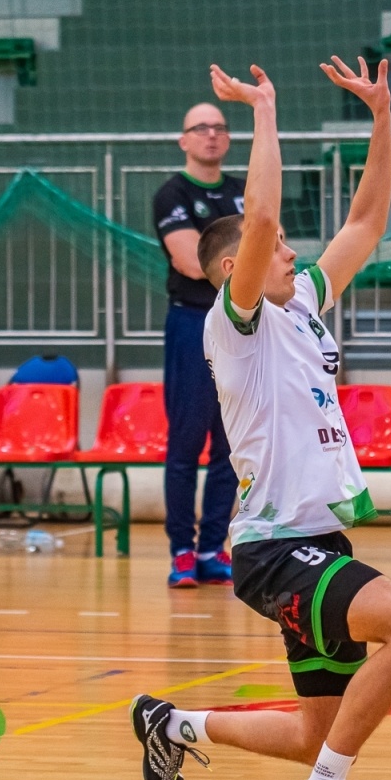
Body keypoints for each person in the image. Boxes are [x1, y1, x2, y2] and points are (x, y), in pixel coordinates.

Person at [130, 58, 391, 780]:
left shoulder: (297, 304)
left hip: (316, 538)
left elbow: (366, 225)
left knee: (313, 733)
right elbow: (259, 214)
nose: (295, 256)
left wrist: (380, 119)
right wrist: (265, 110)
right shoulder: (235, 326)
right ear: (236, 269)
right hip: (274, 549)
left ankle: (171, 723)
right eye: (279, 250)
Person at [152, 102, 247, 587]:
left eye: (219, 127)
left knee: (232, 443)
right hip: (192, 324)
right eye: (200, 128)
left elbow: (265, 251)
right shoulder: (173, 193)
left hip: (240, 325)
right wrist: (246, 271)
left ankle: (214, 547)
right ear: (184, 140)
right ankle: (182, 552)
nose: (211, 135)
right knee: (186, 442)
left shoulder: (241, 193)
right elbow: (193, 262)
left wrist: (247, 275)